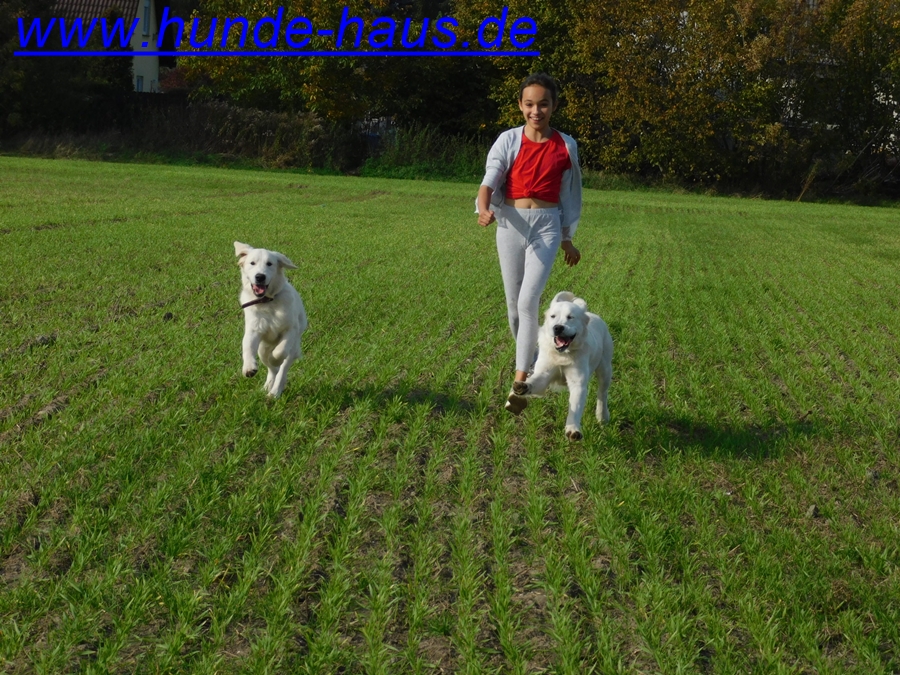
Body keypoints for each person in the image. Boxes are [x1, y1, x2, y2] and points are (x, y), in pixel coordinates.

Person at [476, 72, 583, 414]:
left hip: (547, 227)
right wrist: (483, 209)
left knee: (528, 301)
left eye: (543, 104)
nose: (536, 111)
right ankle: (538, 360)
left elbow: (568, 195)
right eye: (530, 104)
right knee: (514, 308)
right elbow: (489, 180)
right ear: (521, 106)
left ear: (554, 106)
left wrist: (567, 239)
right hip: (510, 223)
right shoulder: (508, 139)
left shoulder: (566, 145)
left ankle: (521, 383)